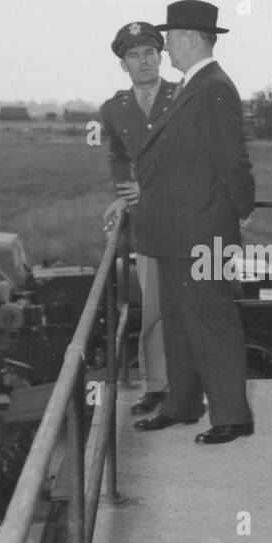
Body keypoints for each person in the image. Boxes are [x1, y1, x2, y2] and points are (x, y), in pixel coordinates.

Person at [132, 0, 256, 445]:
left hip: (203, 231)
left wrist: (235, 212)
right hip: (177, 232)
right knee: (180, 323)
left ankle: (232, 416)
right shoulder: (193, 85)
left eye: (167, 40)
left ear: (188, 38)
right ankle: (181, 405)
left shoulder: (212, 87)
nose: (164, 49)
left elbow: (232, 159)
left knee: (212, 320)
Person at [100, 21, 179, 415]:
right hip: (147, 222)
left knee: (193, 302)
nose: (143, 61)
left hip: (187, 217)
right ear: (123, 64)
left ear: (160, 56)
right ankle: (158, 386)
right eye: (134, 55)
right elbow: (118, 155)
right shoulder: (115, 108)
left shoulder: (183, 95)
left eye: (149, 52)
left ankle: (194, 384)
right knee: (153, 307)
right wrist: (124, 193)